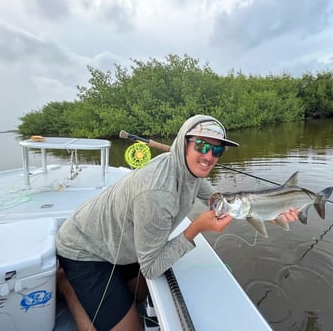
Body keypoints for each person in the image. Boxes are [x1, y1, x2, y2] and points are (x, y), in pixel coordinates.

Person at [56, 114, 299, 331]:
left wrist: (271, 212)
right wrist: (196, 228)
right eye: (202, 146)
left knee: (141, 294)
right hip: (84, 249)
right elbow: (151, 267)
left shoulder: (188, 170)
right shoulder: (158, 194)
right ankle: (68, 286)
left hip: (118, 245)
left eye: (217, 151)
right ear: (183, 143)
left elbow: (215, 199)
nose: (209, 156)